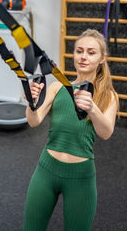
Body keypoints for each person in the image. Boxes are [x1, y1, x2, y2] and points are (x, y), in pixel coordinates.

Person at [23, 29, 119, 231]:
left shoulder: (108, 95)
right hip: (46, 170)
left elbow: (106, 132)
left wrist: (92, 108)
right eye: (79, 51)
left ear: (102, 58)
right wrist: (31, 104)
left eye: (91, 52)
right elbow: (34, 121)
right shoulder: (57, 88)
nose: (83, 57)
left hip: (80, 177)